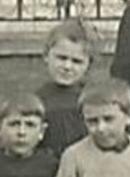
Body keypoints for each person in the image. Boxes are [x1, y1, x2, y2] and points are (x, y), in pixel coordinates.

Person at [36, 20, 98, 157]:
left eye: (76, 61)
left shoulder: (93, 99)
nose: (67, 67)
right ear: (46, 55)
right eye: (61, 58)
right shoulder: (38, 100)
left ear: (88, 64)